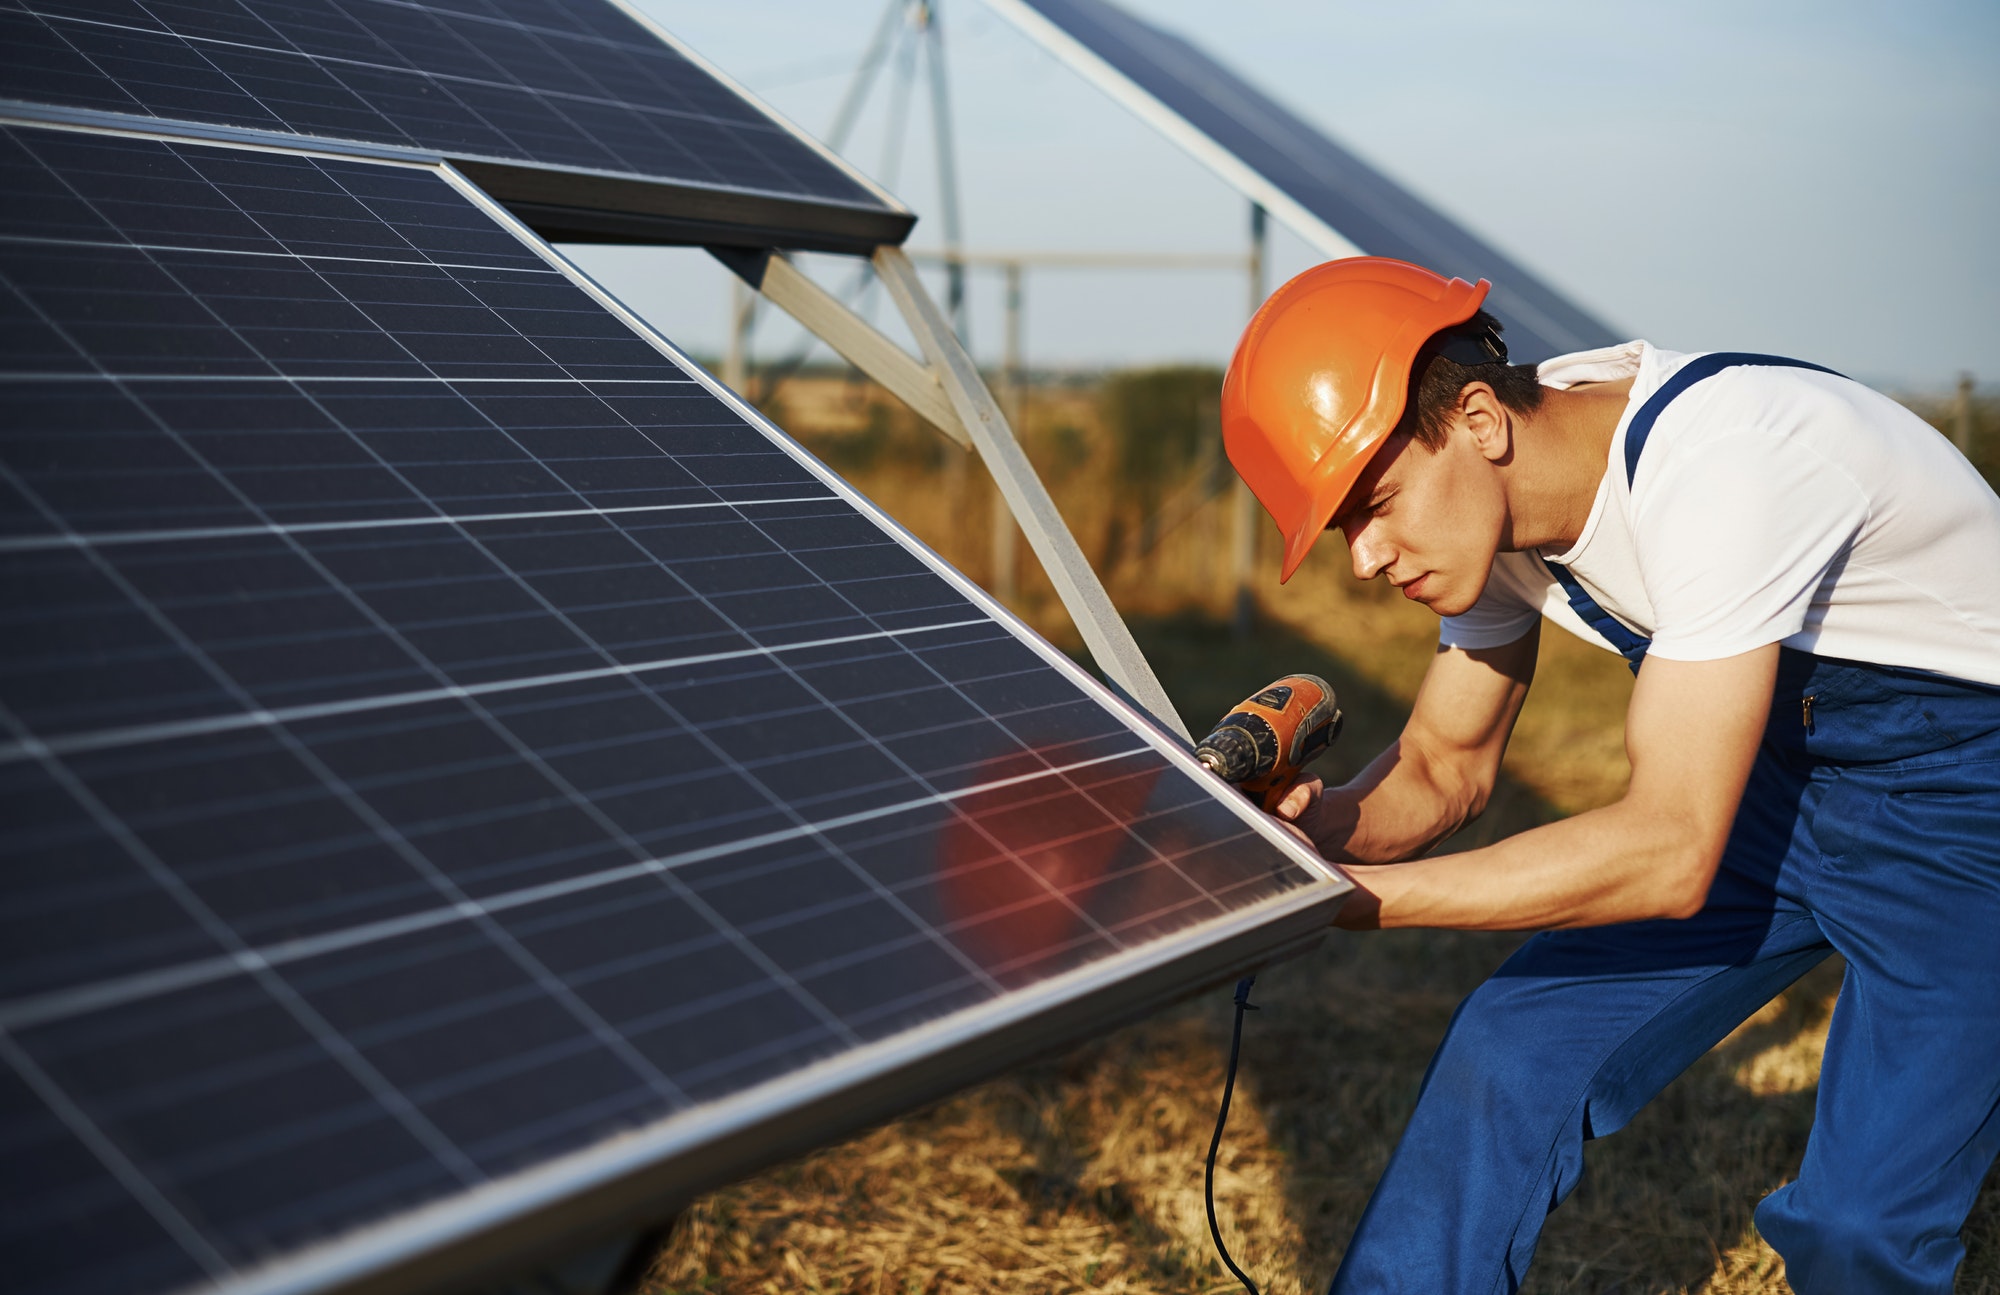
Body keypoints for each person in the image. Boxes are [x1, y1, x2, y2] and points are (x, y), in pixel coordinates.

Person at [1218, 256, 2000, 1294]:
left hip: (1964, 806)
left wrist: (1359, 899)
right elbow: (1444, 766)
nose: (1362, 556)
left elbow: (1668, 851)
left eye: (1374, 502)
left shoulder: (1723, 465)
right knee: (1507, 1049)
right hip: (1763, 780)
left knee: (1858, 1226)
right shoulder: (1497, 508)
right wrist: (1309, 841)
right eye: (1342, 526)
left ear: (1480, 421)